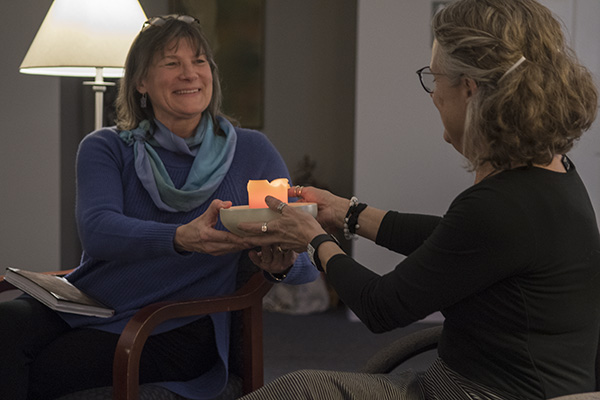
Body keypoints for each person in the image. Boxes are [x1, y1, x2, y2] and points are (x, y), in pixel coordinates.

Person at [237, 0, 600, 399]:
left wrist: (312, 238)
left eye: (434, 78)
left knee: (298, 390)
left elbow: (380, 307)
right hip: (483, 385)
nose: (433, 95)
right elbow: (457, 241)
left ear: (469, 89)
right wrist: (345, 213)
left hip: (471, 394)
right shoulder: (550, 176)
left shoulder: (500, 204)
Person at [0, 14, 318, 400]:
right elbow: (98, 230)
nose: (190, 73)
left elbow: (303, 258)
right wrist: (180, 237)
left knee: (40, 369)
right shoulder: (105, 147)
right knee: (5, 323)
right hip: (89, 302)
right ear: (140, 82)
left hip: (173, 324)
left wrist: (282, 264)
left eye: (199, 61)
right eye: (171, 63)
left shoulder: (252, 151)